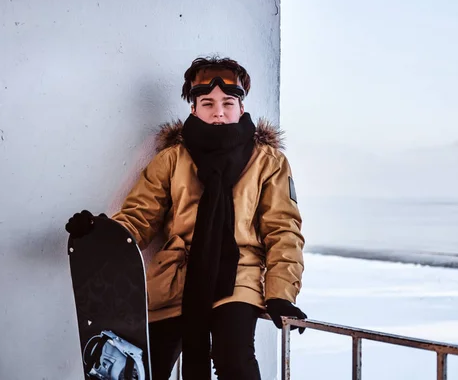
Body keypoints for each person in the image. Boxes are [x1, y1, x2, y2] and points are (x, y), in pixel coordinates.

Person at [65, 56, 306, 380]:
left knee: (234, 359)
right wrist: (97, 232)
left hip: (237, 276)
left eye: (227, 102)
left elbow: (283, 230)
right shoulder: (172, 160)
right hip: (177, 278)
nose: (218, 111)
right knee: (146, 366)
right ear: (194, 109)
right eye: (207, 102)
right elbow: (139, 217)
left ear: (241, 107)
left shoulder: (268, 162)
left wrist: (280, 294)